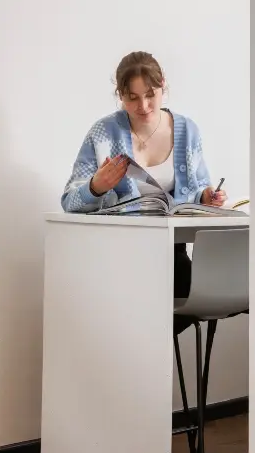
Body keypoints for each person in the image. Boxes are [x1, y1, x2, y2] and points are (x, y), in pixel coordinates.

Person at [61, 52, 227, 297]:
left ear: (163, 86)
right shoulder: (102, 133)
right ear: (120, 96)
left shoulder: (188, 131)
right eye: (133, 98)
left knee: (199, 290)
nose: (144, 106)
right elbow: (69, 202)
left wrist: (207, 197)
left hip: (172, 250)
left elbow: (199, 190)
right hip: (120, 251)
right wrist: (95, 187)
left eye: (151, 95)